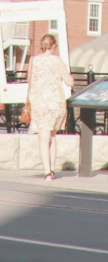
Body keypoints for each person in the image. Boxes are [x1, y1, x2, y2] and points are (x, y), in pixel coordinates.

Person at [27, 34, 71, 180]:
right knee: (53, 135)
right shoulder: (56, 60)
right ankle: (51, 169)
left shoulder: (33, 60)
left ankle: (47, 171)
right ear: (53, 46)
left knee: (43, 137)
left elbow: (29, 80)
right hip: (55, 102)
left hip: (39, 102)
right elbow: (69, 81)